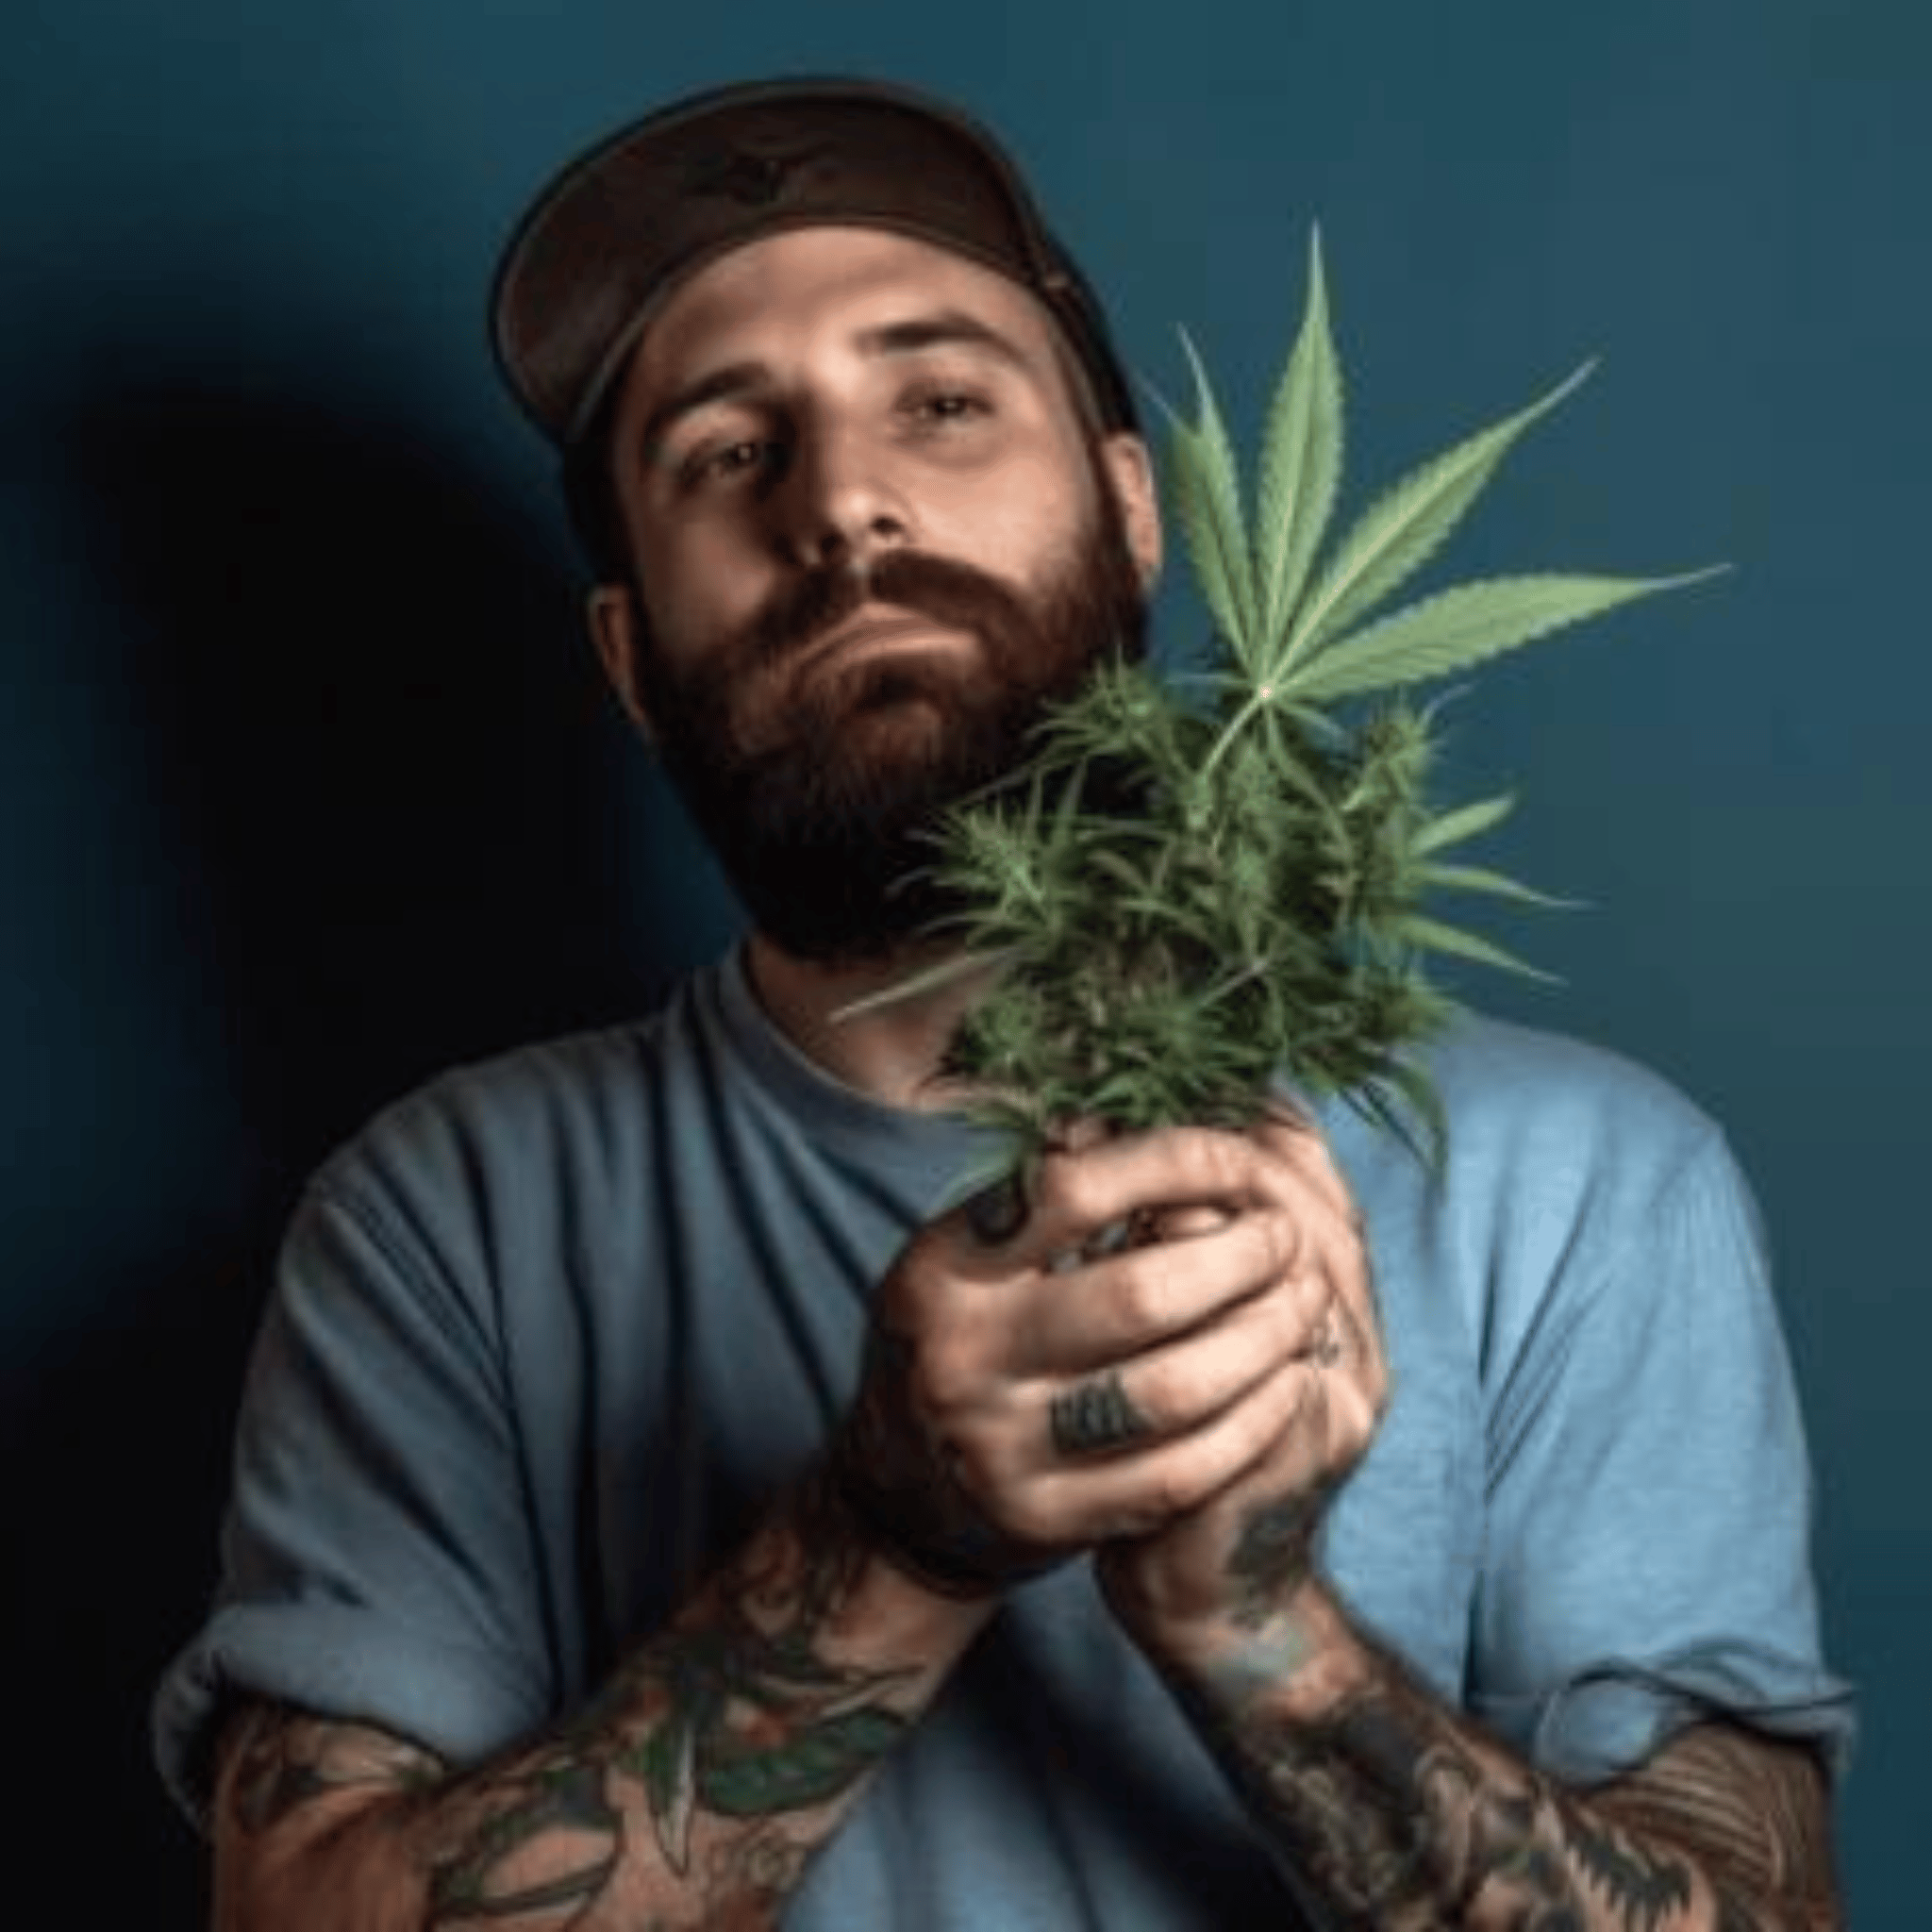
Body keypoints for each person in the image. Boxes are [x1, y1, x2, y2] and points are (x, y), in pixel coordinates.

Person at [154, 76, 1853, 1928]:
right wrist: (885, 1538)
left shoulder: (1582, 1183)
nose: (846, 501)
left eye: (942, 401)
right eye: (726, 452)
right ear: (629, 654)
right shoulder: (448, 1219)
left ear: (1131, 508)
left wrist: (1261, 1631)